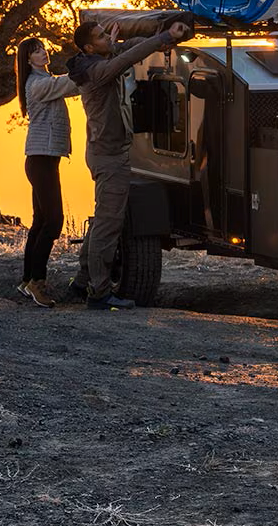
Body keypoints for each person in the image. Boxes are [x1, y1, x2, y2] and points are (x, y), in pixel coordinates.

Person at [66, 19, 191, 310]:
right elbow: (128, 57)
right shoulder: (97, 72)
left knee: (103, 220)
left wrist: (162, 40)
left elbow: (127, 47)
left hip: (105, 153)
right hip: (109, 159)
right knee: (109, 226)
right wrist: (164, 36)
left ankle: (83, 282)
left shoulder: (93, 62)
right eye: (100, 37)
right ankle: (98, 293)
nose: (106, 39)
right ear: (88, 47)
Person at [15, 37, 80, 308]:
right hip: (40, 160)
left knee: (41, 221)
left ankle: (27, 279)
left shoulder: (45, 80)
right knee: (54, 221)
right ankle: (36, 283)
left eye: (42, 48)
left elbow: (63, 81)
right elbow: (71, 84)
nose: (43, 53)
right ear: (28, 60)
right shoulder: (39, 84)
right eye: (35, 52)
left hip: (43, 159)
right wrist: (95, 65)